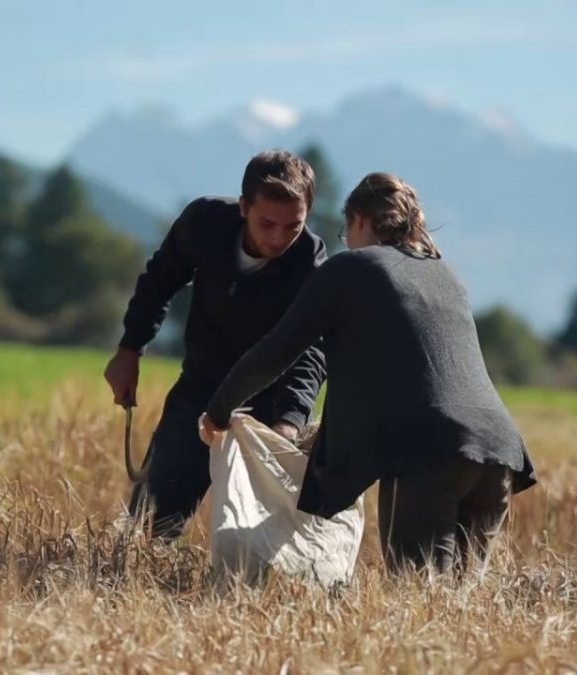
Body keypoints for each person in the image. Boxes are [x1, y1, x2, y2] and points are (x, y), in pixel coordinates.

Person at [201, 172, 537, 574]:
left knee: (419, 598)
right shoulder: (445, 274)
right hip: (498, 451)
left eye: (346, 230)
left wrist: (219, 409)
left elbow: (275, 353)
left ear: (359, 219)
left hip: (426, 450)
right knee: (459, 611)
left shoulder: (351, 269)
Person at [105, 150, 328, 539]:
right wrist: (129, 349)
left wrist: (291, 420)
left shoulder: (311, 260)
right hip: (201, 387)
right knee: (150, 521)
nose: (279, 238)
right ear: (243, 207)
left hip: (270, 404)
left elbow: (312, 349)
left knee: (260, 538)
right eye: (267, 223)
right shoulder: (204, 223)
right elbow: (159, 281)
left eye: (293, 226)